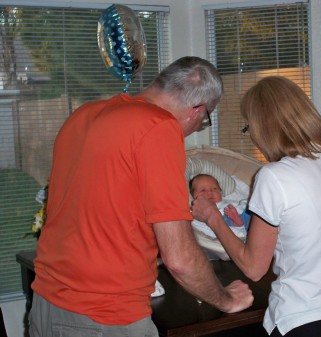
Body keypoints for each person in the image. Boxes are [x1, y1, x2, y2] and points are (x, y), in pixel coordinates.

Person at [29, 56, 253, 337]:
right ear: (198, 111)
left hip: (46, 303)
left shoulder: (84, 115)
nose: (195, 129)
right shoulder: (159, 127)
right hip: (104, 316)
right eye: (203, 121)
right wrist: (227, 299)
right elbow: (180, 258)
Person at [192, 76, 321, 337]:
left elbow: (254, 268)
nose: (252, 135)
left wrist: (213, 218)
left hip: (304, 320)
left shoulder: (275, 176)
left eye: (249, 126)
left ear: (264, 126)